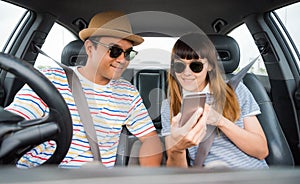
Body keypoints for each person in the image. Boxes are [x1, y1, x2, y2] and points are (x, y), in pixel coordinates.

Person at [5, 11, 162, 168]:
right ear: (89, 48)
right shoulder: (50, 79)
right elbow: (12, 125)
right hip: (41, 176)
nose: (122, 60)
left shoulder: (128, 93)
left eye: (128, 53)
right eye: (114, 50)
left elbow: (150, 139)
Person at [161, 32, 269, 168]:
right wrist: (178, 148)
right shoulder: (170, 105)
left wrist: (219, 120)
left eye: (196, 66)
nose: (186, 73)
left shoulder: (235, 91)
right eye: (179, 66)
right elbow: (177, 172)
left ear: (210, 66)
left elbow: (261, 151)